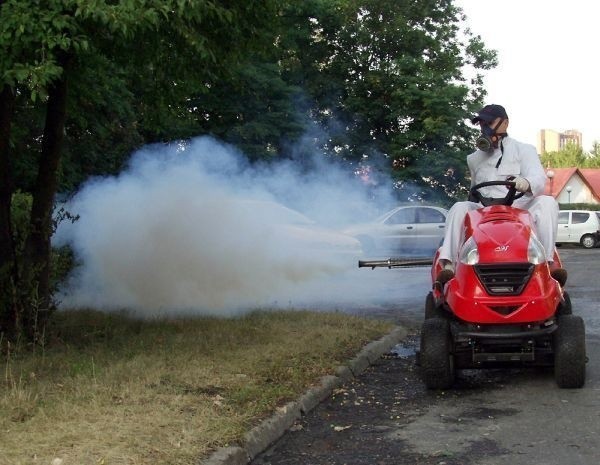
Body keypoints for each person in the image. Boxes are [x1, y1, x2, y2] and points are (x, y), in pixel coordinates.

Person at [437, 104, 567, 285]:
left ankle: (547, 264)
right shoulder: (474, 159)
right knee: (459, 208)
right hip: (486, 211)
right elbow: (474, 189)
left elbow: (538, 178)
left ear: (505, 123)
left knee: (547, 202)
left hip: (519, 208)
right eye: (482, 124)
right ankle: (448, 266)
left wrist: (526, 183)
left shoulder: (525, 150)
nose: (485, 129)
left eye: (489, 123)